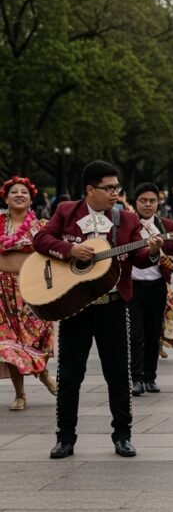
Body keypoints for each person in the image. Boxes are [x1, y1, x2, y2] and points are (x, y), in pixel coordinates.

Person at [35, 161, 164, 459]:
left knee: (118, 374)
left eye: (117, 188)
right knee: (70, 375)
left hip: (113, 306)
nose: (115, 193)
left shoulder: (127, 220)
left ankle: (122, 435)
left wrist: (154, 250)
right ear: (90, 189)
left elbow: (140, 257)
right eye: (109, 188)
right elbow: (41, 239)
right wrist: (70, 251)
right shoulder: (66, 211)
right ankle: (65, 437)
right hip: (74, 307)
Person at [0, 176, 56, 411]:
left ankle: (43, 375)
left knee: (33, 339)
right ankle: (20, 393)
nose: (19, 195)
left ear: (31, 198)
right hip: (2, 291)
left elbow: (51, 255)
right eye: (14, 192)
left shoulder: (40, 226)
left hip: (30, 289)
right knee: (9, 343)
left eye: (23, 192)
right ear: (6, 198)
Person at [128, 183, 173, 396]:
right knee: (135, 334)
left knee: (153, 334)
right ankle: (136, 378)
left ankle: (150, 377)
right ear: (135, 203)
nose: (148, 205)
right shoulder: (126, 225)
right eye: (143, 200)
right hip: (133, 286)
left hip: (157, 286)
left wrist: (164, 256)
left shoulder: (166, 225)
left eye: (152, 201)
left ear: (158, 203)